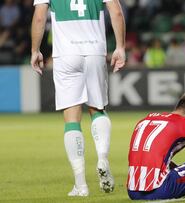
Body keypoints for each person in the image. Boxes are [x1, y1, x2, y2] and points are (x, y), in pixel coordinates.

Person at [31, 0, 126, 196]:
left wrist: (35, 50)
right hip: (94, 51)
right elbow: (116, 12)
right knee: (97, 109)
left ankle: (81, 184)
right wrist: (120, 47)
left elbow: (40, 17)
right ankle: (102, 158)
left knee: (71, 118)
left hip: (65, 54)